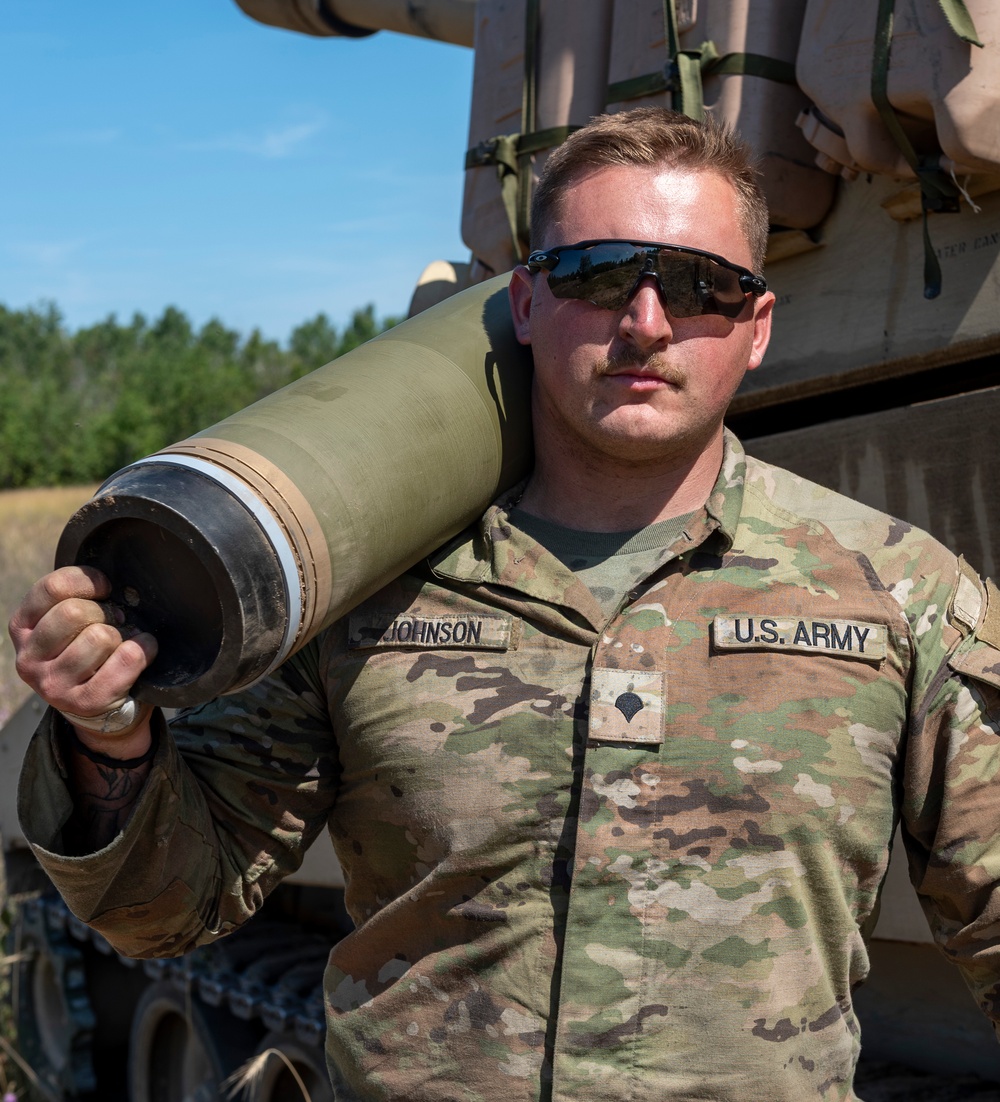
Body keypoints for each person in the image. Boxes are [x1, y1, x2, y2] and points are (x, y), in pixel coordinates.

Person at [11, 107, 1000, 1102]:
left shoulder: (895, 591)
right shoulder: (367, 598)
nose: (646, 322)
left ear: (757, 324)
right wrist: (111, 743)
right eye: (600, 274)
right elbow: (165, 910)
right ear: (524, 301)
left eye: (703, 285)